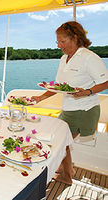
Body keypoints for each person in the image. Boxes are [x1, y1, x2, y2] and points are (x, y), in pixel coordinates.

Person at [31, 21, 108, 185]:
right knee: (61, 142)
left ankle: (67, 176)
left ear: (75, 38)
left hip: (84, 110)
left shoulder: (89, 57)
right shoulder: (64, 58)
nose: (59, 45)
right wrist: (40, 98)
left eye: (62, 41)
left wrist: (87, 92)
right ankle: (68, 170)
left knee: (61, 143)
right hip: (68, 109)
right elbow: (58, 87)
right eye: (57, 42)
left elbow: (105, 82)